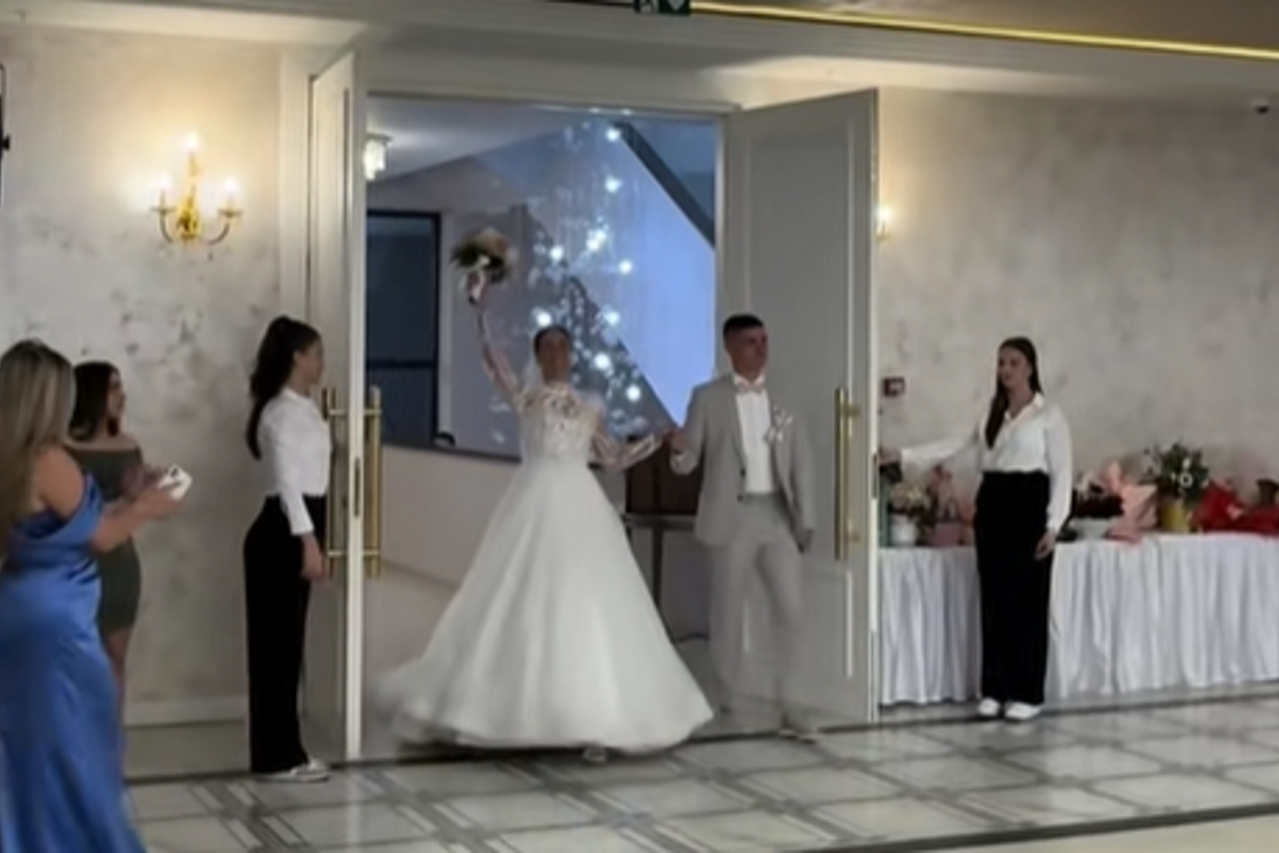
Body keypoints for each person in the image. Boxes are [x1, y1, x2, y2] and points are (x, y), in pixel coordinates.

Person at [377, 303, 712, 761]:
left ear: (572, 355)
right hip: (533, 500)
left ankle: (596, 719)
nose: (556, 355)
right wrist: (481, 308)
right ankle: (507, 709)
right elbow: (492, 358)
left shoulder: (589, 406)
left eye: (562, 347)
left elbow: (612, 457)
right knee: (522, 597)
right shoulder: (527, 398)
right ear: (538, 356)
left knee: (587, 603)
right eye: (548, 348)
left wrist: (657, 438)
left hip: (581, 503)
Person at [0, 339, 182, 851]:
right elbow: (99, 535)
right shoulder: (47, 458)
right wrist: (148, 507)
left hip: (16, 606)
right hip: (57, 619)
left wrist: (126, 500)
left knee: (30, 748)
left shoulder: (7, 457)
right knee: (75, 746)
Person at [881, 336, 1072, 723]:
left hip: (1028, 504)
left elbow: (1062, 472)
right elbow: (953, 444)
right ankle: (995, 688)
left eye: (1013, 363)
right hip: (995, 503)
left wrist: (1054, 524)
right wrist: (903, 455)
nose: (1005, 370)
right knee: (994, 599)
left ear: (1030, 367)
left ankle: (1027, 691)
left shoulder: (1049, 415)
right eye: (1001, 363)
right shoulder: (991, 412)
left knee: (1027, 602)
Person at [669, 313, 817, 737]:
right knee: (728, 612)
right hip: (731, 515)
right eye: (751, 342)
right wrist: (678, 450)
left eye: (764, 340)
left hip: (776, 514)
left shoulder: (784, 397)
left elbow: (801, 460)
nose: (761, 349)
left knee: (791, 608)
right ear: (730, 348)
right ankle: (727, 697)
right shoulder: (707, 398)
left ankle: (793, 703)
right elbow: (687, 462)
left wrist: (806, 517)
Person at [242, 316, 331, 782]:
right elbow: (289, 485)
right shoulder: (279, 413)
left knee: (289, 646)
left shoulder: (306, 409)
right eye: (316, 354)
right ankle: (275, 756)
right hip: (283, 533)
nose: (321, 363)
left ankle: (288, 749)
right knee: (275, 649)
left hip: (300, 526)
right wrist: (308, 542)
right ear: (297, 357)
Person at [68, 361, 154, 714]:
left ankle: (110, 734)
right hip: (73, 563)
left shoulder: (129, 445)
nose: (122, 395)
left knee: (115, 655)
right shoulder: (60, 448)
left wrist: (150, 487)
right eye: (113, 387)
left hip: (119, 564)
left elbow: (137, 498)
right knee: (75, 658)